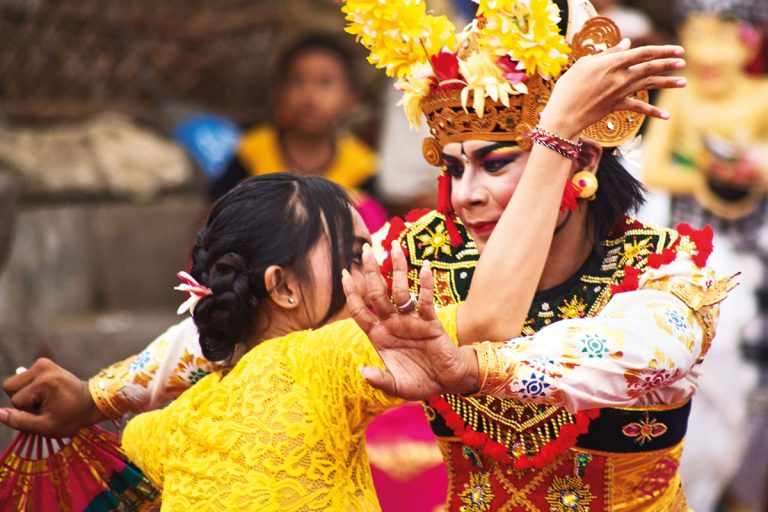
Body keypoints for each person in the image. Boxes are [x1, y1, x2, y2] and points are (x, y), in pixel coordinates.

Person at [2, 0, 710, 510]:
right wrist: (95, 395)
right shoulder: (423, 259)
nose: (466, 195)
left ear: (576, 156)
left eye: (496, 164)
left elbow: (639, 350)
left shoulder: (662, 270)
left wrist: (473, 366)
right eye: (454, 168)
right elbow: (240, 302)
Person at [643, 1, 768, 509]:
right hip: (695, 249)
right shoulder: (685, 98)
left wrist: (751, 171)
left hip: (754, 244)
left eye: (724, 37)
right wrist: (704, 174)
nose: (707, 52)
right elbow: (653, 168)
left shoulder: (762, 98)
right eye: (697, 35)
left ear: (756, 40)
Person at [211, 33, 389, 232]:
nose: (310, 96)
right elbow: (214, 222)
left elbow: (375, 236)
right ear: (277, 90)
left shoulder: (362, 166)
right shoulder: (252, 151)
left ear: (351, 97)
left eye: (325, 83)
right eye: (298, 81)